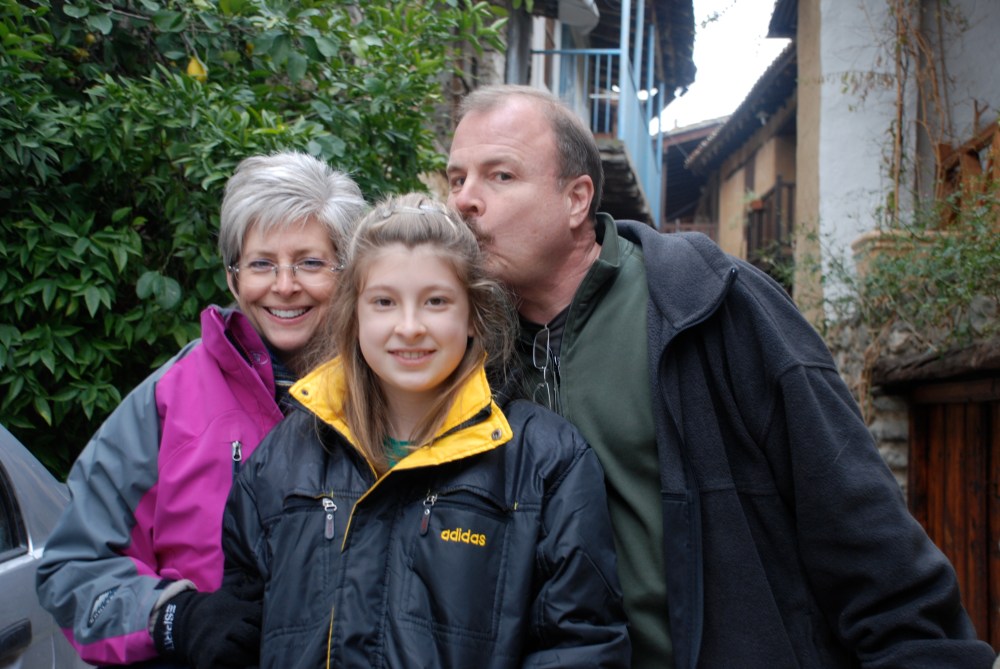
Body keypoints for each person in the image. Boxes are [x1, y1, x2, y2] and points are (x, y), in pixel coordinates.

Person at [445, 84, 998, 669]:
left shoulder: (706, 303)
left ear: (576, 198)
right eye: (456, 179)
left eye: (500, 175)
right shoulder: (468, 353)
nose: (465, 201)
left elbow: (854, 515)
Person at [218, 193, 630, 668]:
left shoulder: (545, 460)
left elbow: (581, 645)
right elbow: (240, 629)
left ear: (472, 315)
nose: (410, 327)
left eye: (436, 301)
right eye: (384, 302)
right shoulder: (284, 457)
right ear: (354, 316)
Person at [36, 151, 368, 667]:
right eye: (261, 263)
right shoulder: (172, 396)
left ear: (348, 273)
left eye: (310, 262)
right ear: (233, 277)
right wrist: (175, 617)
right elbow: (72, 568)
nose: (284, 286)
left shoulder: (389, 395)